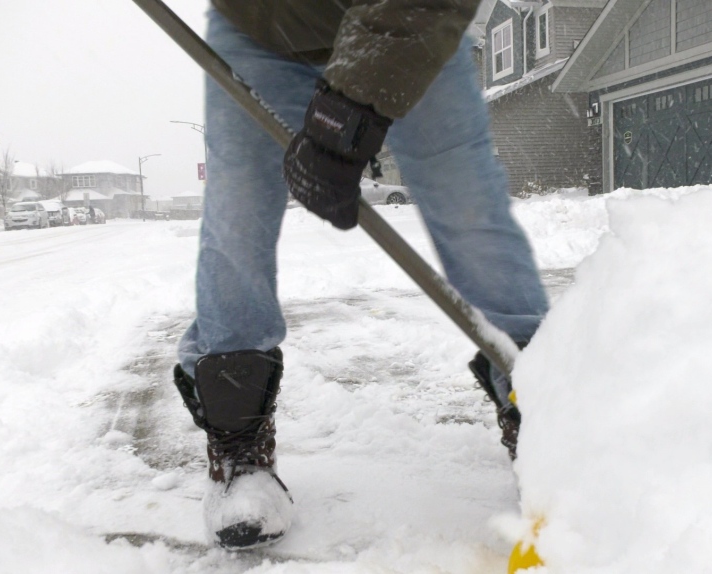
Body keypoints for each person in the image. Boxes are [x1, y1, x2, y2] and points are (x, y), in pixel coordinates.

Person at [172, 0, 550, 551]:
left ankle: (542, 418)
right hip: (259, 28)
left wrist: (348, 111)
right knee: (238, 215)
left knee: (470, 206)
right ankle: (238, 450)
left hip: (414, 27)